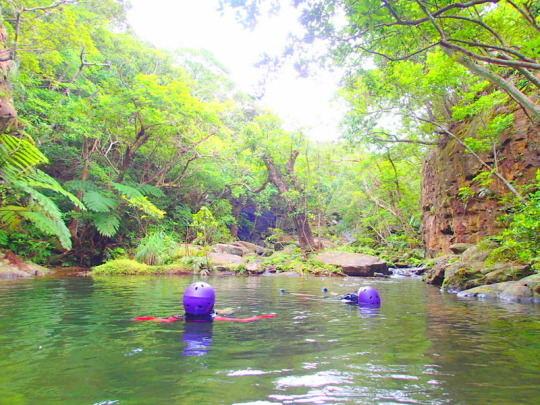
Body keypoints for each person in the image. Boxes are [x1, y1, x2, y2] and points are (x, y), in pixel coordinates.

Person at [134, 282, 276, 323]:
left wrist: (143, 318)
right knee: (228, 311)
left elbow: (160, 320)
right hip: (213, 316)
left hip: (193, 317)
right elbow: (244, 320)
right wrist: (264, 316)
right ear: (210, 303)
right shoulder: (215, 317)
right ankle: (225, 309)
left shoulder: (179, 317)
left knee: (226, 311)